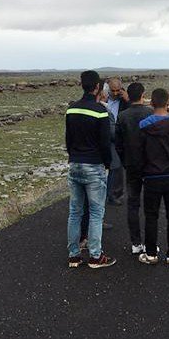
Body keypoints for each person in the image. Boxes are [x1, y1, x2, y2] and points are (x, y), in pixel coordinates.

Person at [65, 70, 116, 269]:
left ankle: (74, 255)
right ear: (97, 87)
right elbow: (105, 143)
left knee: (75, 211)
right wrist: (107, 163)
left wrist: (73, 156)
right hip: (94, 165)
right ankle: (95, 256)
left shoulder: (71, 109)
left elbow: (68, 140)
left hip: (75, 163)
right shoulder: (100, 111)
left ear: (82, 85)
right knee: (96, 212)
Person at [138, 88, 169, 266]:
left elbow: (140, 153)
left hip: (151, 177)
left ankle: (151, 254)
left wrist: (142, 172)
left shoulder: (143, 126)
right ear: (168, 104)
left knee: (151, 215)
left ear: (151, 103)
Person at [114, 82, 153, 254]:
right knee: (151, 205)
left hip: (131, 165)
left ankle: (136, 243)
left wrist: (125, 161)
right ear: (143, 94)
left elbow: (118, 143)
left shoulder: (122, 116)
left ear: (128, 96)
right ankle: (150, 244)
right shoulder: (150, 113)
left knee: (133, 204)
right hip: (151, 166)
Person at [104, 78, 129, 205]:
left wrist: (128, 100)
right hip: (103, 135)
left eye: (117, 90)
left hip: (117, 136)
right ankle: (108, 194)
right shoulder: (104, 99)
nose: (115, 93)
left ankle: (114, 195)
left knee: (117, 166)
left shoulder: (125, 101)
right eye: (112, 90)